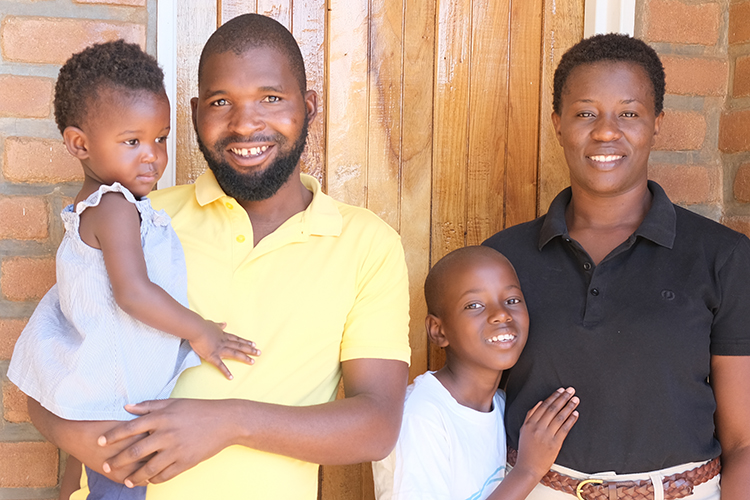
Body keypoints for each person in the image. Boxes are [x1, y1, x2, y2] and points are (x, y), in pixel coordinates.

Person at [26, 14, 411, 500]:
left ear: (309, 108)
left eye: (271, 98)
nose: (245, 123)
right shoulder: (138, 220)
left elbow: (376, 424)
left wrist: (229, 422)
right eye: (221, 102)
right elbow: (43, 375)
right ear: (194, 114)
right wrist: (87, 441)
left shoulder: (366, 244)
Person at [483, 33, 750, 499]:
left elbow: (744, 440)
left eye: (629, 113)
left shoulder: (721, 256)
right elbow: (471, 407)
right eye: (586, 113)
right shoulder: (503, 258)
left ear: (656, 124)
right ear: (558, 124)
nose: (606, 131)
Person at [8, 40, 260, 500]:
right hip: (116, 410)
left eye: (160, 139)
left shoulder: (107, 207)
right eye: (132, 142)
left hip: (104, 407)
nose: (152, 156)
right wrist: (201, 331)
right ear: (79, 144)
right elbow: (134, 293)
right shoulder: (114, 208)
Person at [372, 246, 580, 500]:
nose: (501, 314)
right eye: (474, 305)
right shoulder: (421, 416)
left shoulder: (502, 406)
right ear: (438, 330)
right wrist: (528, 470)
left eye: (512, 300)